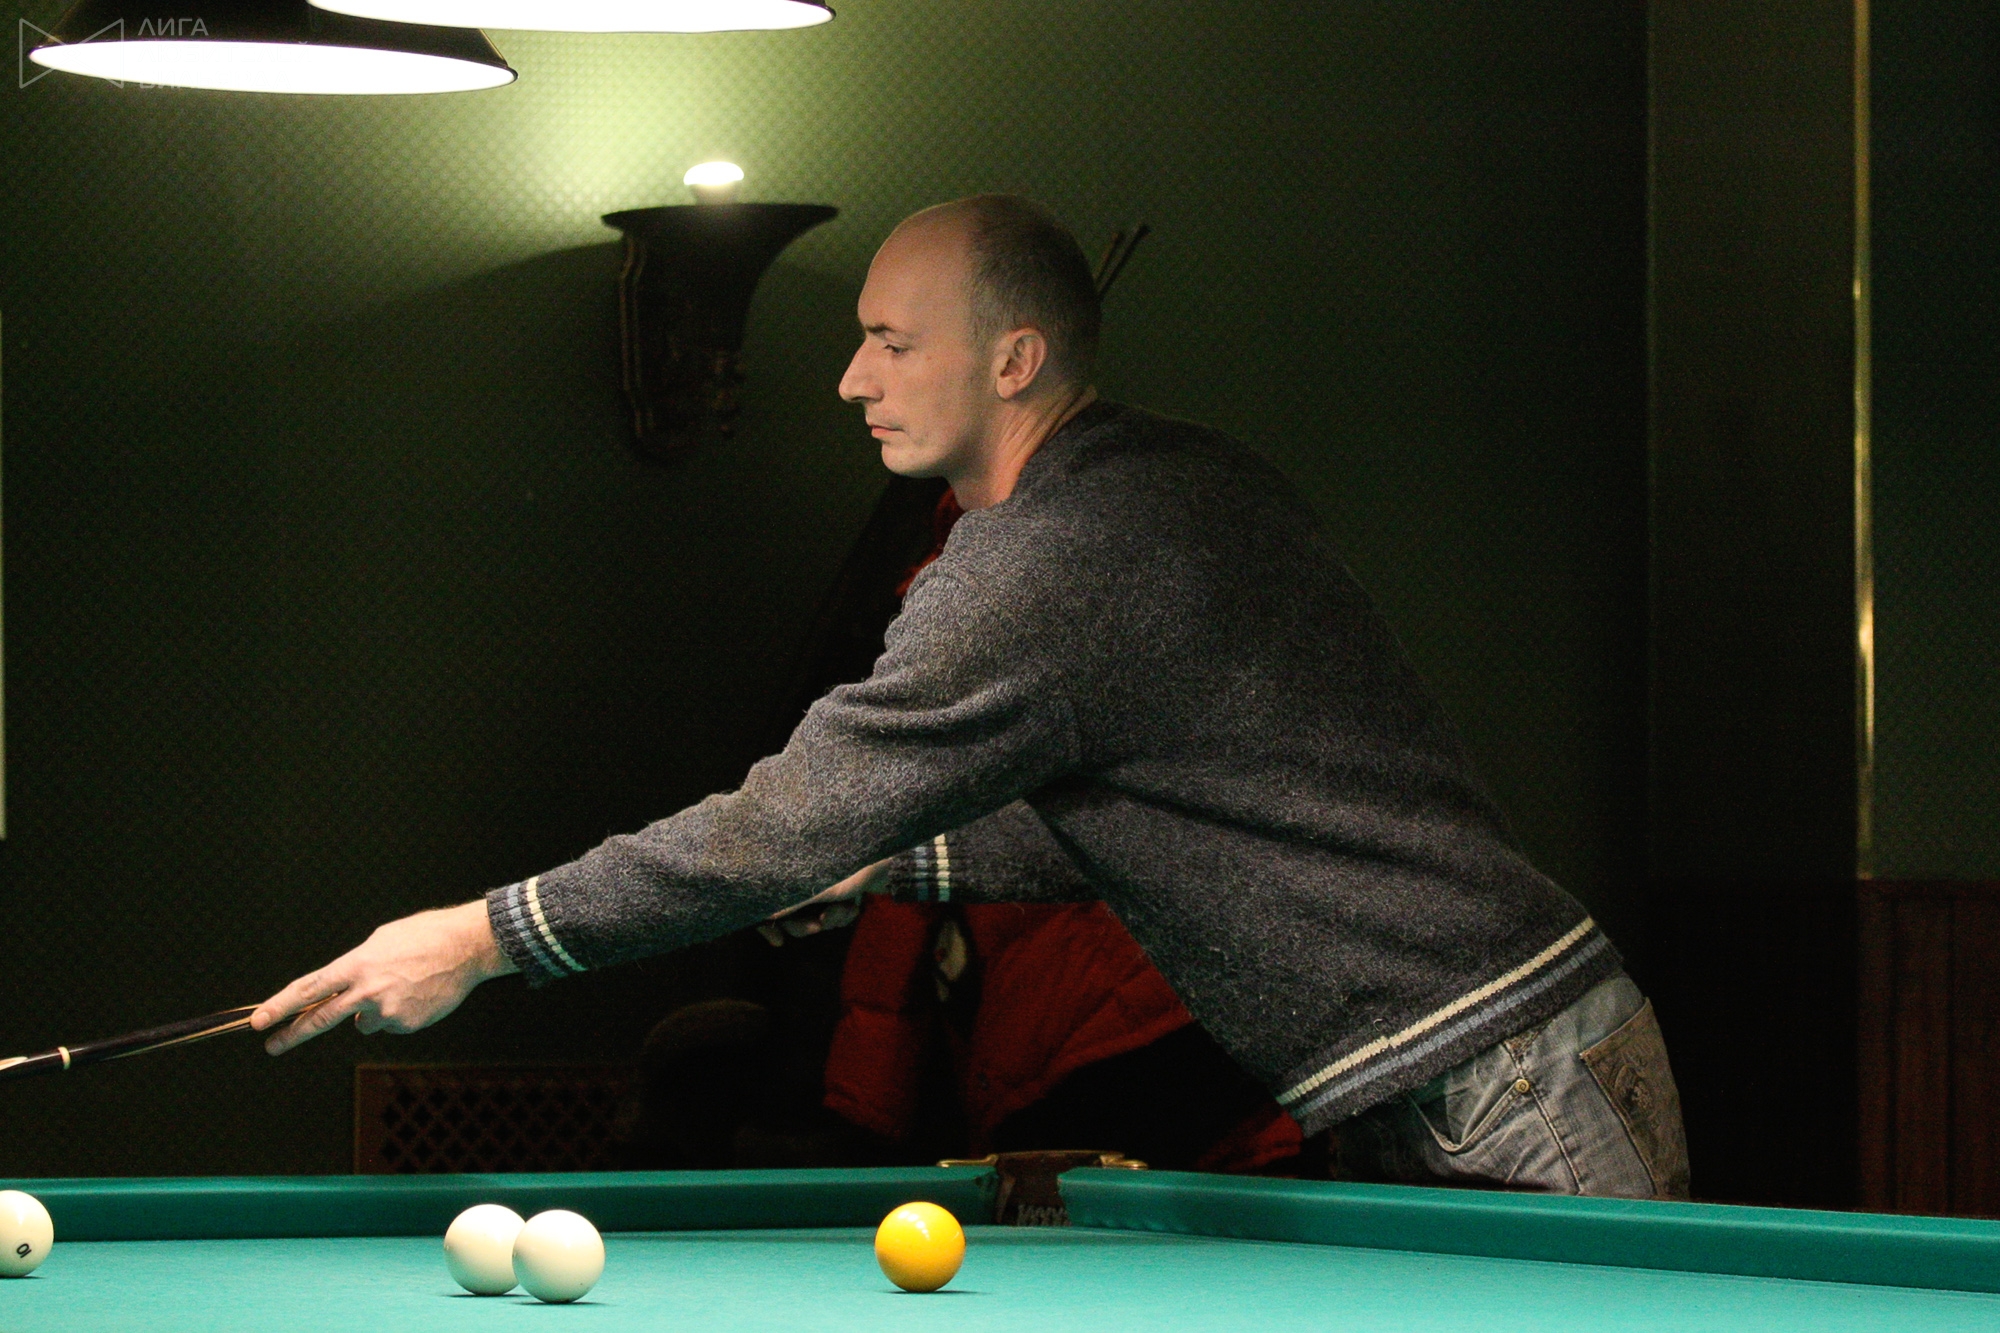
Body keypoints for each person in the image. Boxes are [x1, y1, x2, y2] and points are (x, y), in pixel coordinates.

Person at [254, 195, 1690, 1199]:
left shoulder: (1041, 563)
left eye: (892, 341)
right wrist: (899, 862)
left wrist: (481, 935)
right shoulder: (1179, 478)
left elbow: (777, 826)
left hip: (1504, 1081)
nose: (848, 378)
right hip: (1492, 1048)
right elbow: (1168, 807)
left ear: (1013, 359)